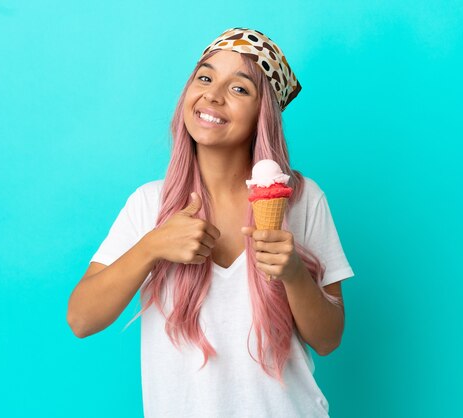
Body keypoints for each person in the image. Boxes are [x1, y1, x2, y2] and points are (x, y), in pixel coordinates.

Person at [67, 27, 355, 418]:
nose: (213, 95)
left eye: (239, 89)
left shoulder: (302, 201)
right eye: (205, 77)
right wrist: (153, 247)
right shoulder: (148, 203)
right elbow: (81, 319)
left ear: (262, 116)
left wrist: (293, 274)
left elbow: (328, 338)